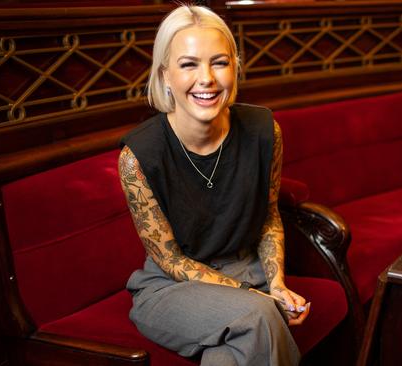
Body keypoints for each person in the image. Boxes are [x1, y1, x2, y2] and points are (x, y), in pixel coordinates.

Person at [118, 5, 309, 366]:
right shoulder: (138, 157)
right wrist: (263, 299)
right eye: (189, 64)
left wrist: (277, 283)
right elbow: (171, 260)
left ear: (235, 67)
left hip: (246, 271)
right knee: (258, 316)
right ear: (166, 76)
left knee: (228, 358)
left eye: (219, 62)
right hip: (171, 288)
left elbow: (268, 216)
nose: (206, 78)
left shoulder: (264, 130)